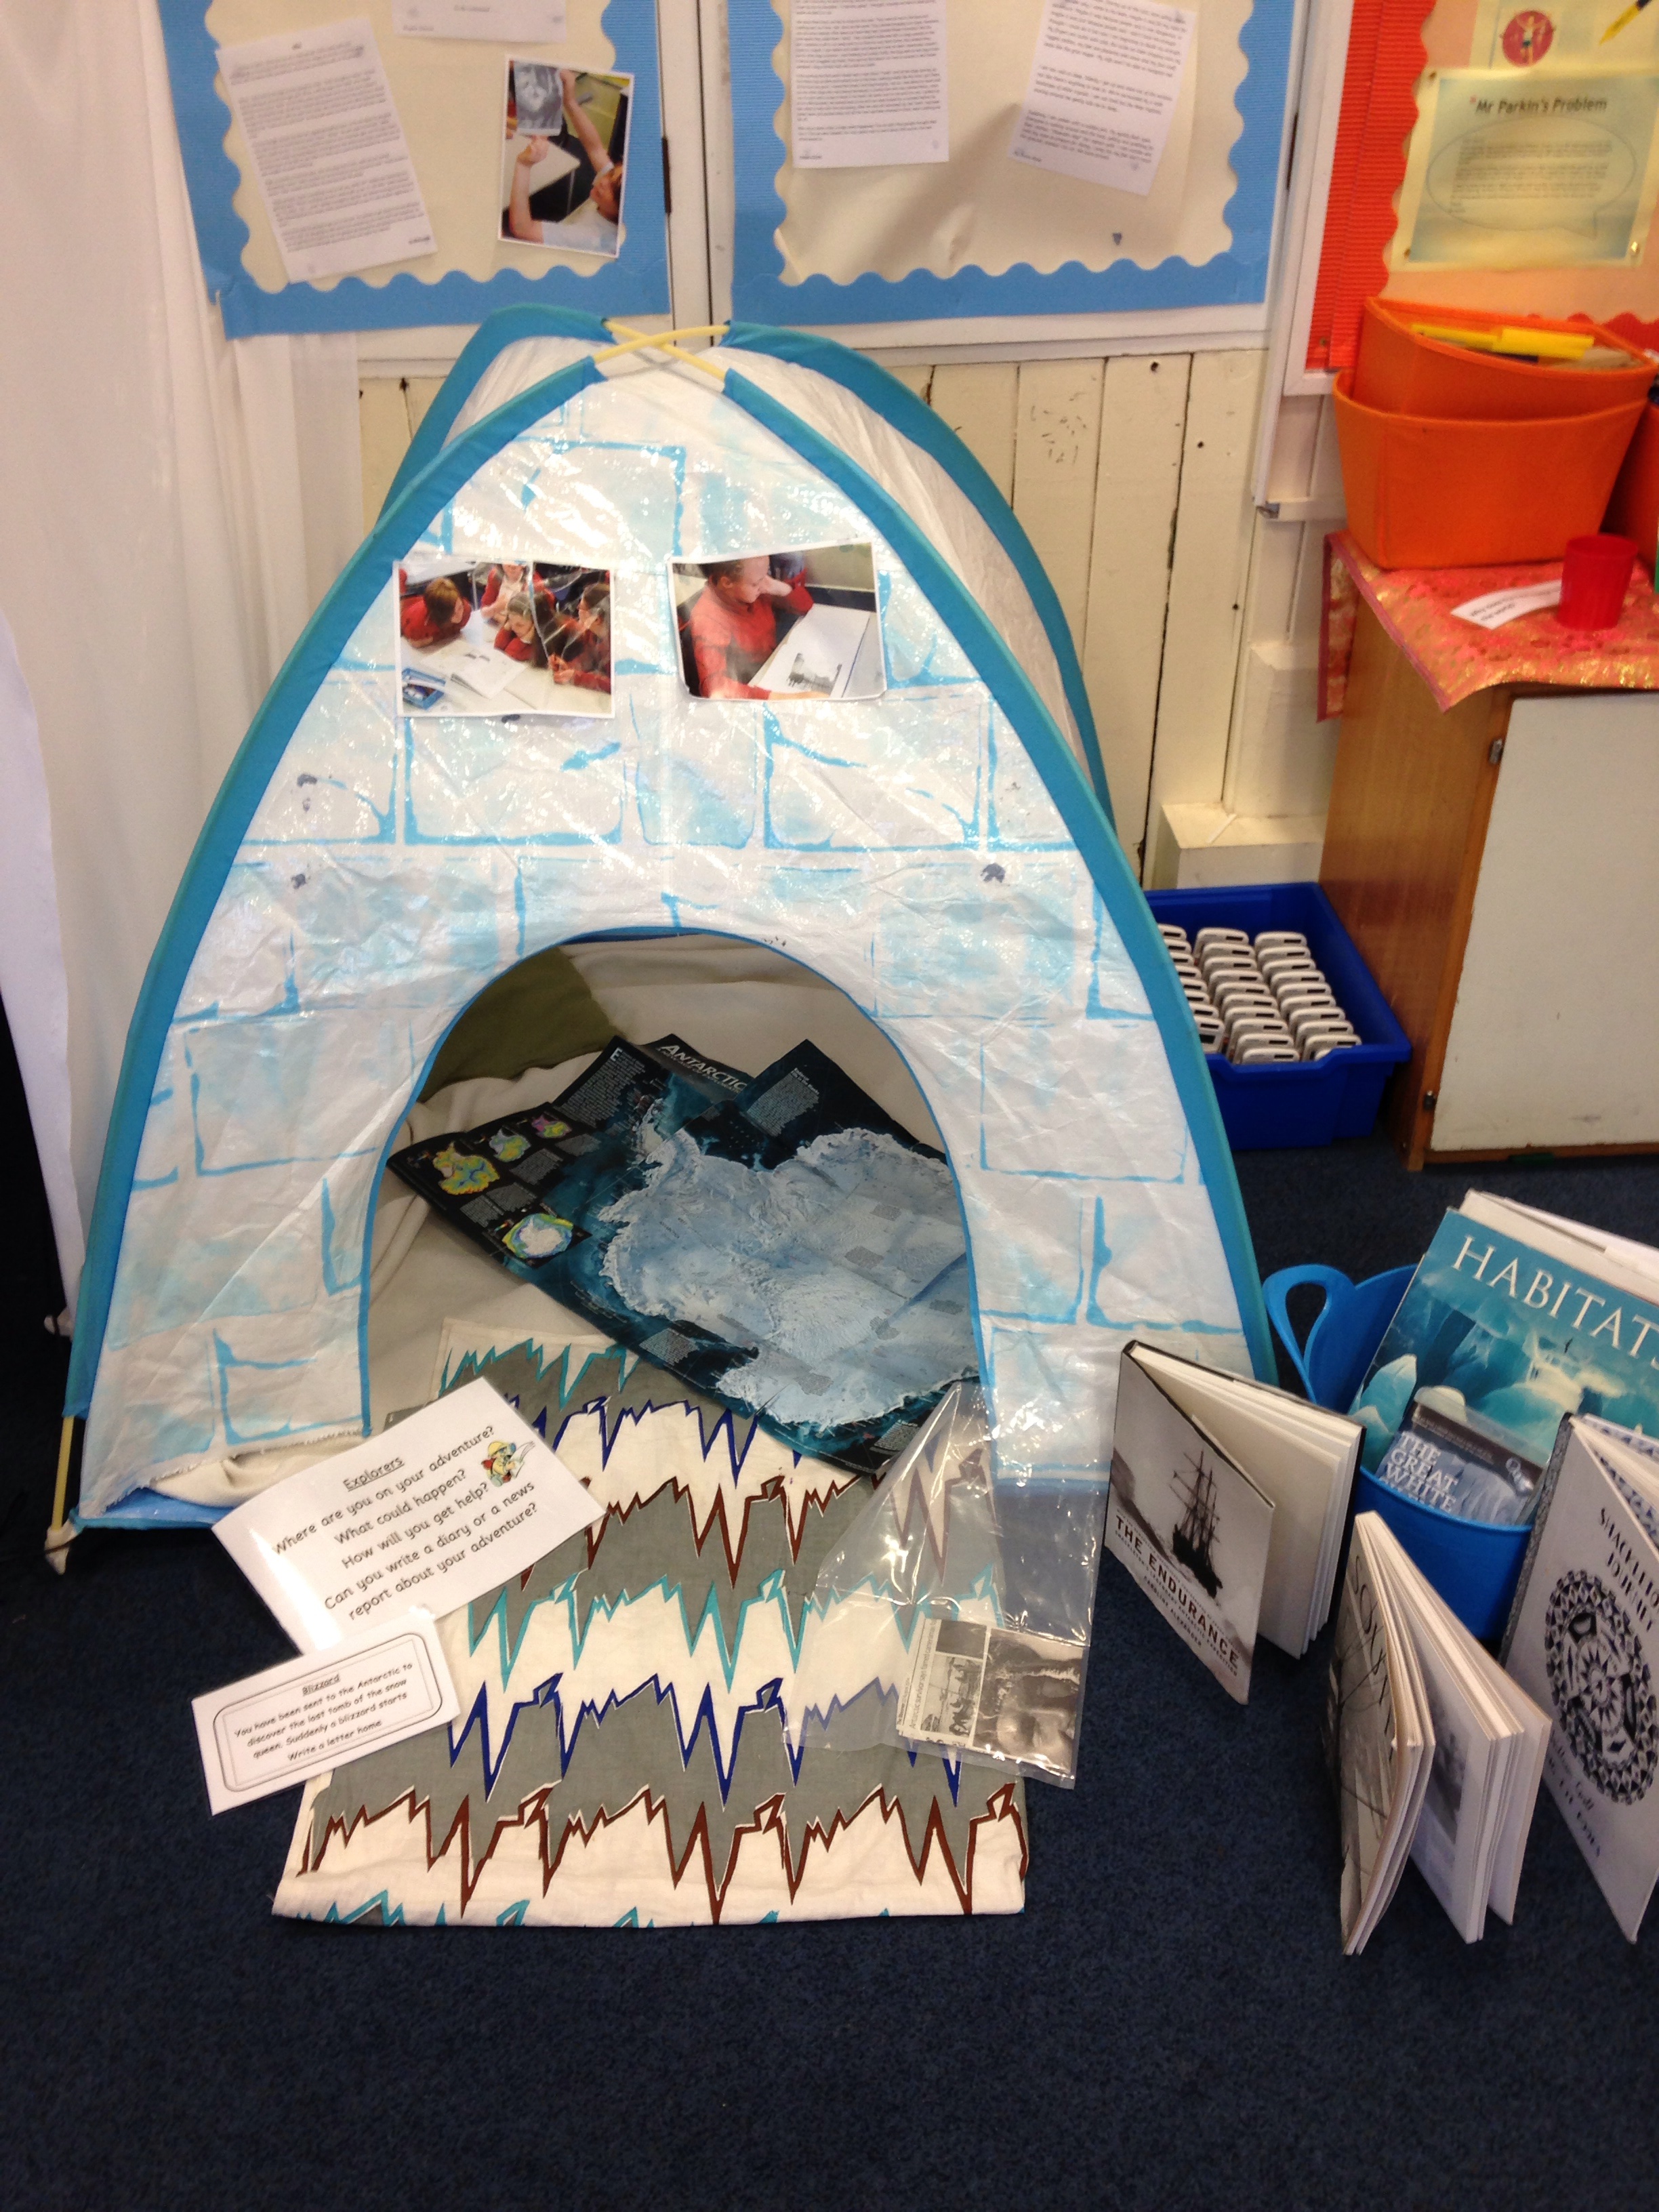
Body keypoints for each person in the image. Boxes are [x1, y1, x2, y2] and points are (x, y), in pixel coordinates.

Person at [507, 70, 623, 256]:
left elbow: (523, 229)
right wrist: (570, 102)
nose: (604, 181)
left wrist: (524, 165)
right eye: (611, 174)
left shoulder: (589, 238)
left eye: (613, 189)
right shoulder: (612, 188)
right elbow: (595, 148)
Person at [685, 556, 826, 700]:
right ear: (727, 583)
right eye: (756, 583)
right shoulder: (707, 618)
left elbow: (806, 607)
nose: (764, 584)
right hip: (749, 684)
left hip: (771, 661)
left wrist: (778, 587)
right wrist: (781, 698)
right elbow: (715, 688)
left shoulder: (755, 588)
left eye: (766, 575)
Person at [400, 573, 470, 648]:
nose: (460, 615)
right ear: (441, 615)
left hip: (423, 602)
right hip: (405, 611)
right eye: (453, 613)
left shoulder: (465, 609)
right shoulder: (418, 626)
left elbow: (454, 631)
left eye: (460, 608)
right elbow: (415, 642)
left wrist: (433, 639)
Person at [493, 591, 548, 665]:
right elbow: (497, 648)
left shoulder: (537, 647)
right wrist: (507, 628)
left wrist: (524, 640)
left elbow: (509, 656)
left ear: (535, 624)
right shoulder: (515, 631)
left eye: (519, 625)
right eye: (510, 622)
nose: (513, 628)